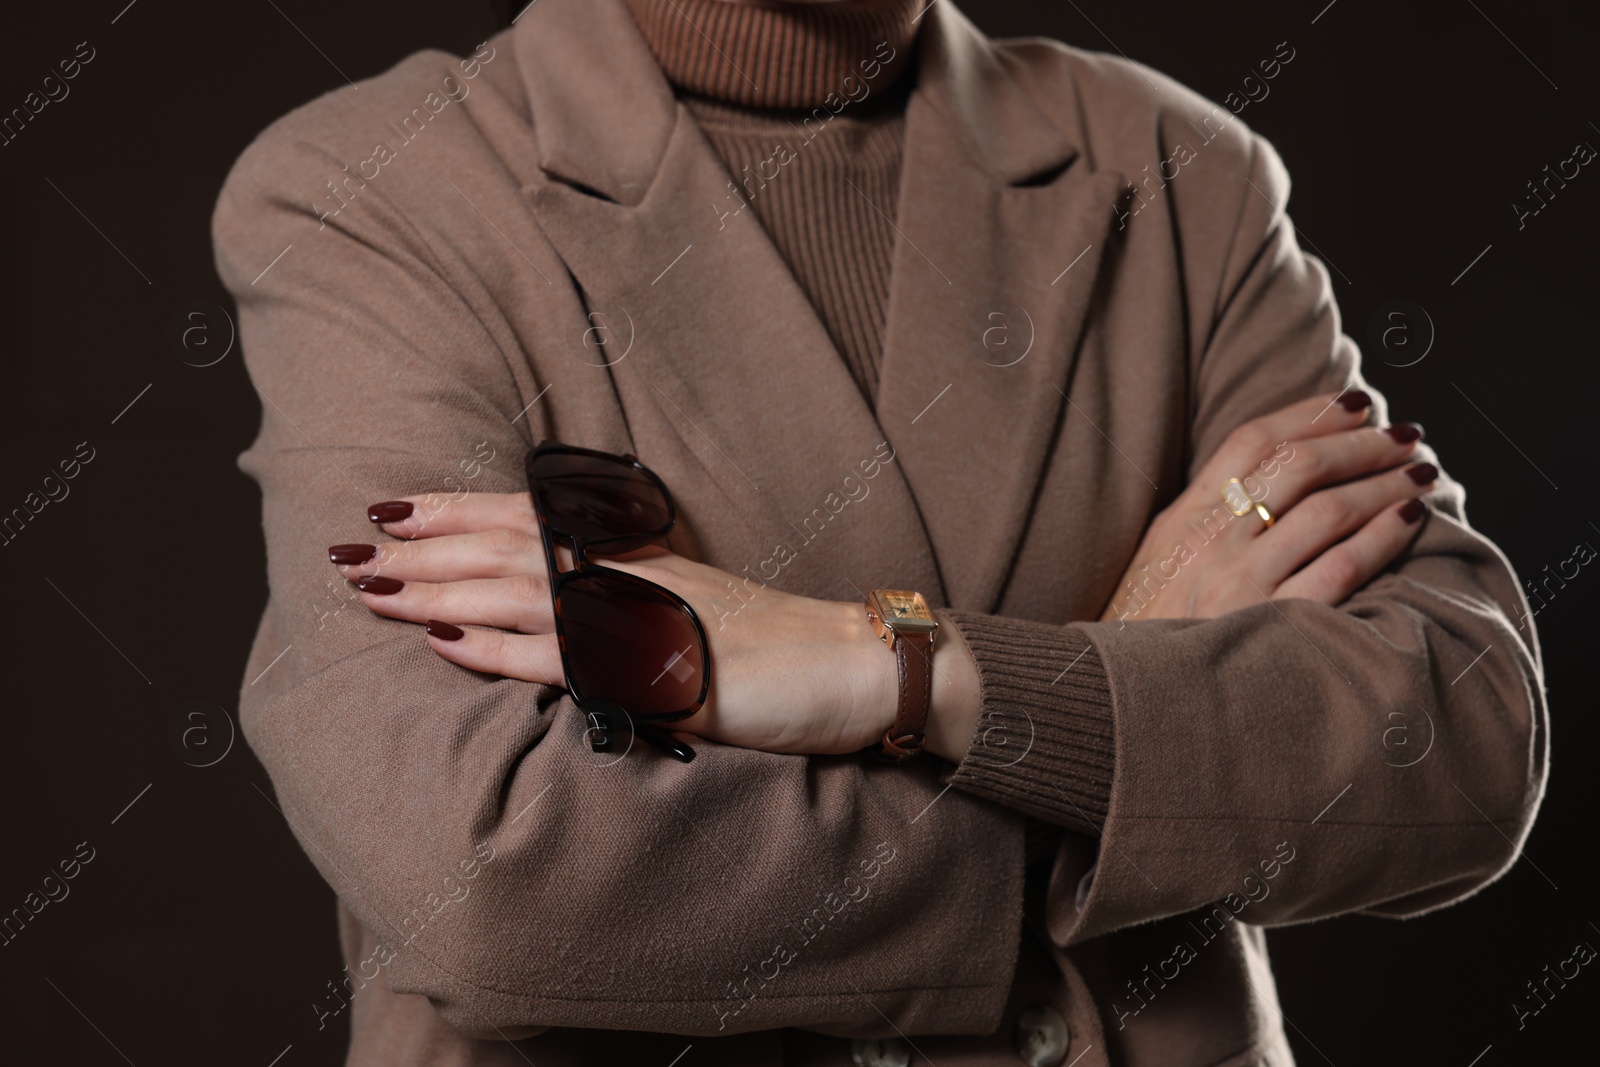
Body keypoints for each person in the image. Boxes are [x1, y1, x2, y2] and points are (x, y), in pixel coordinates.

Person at [212, 0, 1548, 1064]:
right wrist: (1112, 745)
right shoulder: (371, 190)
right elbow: (496, 885)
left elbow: (1461, 742)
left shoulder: (1180, 170)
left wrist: (896, 665)